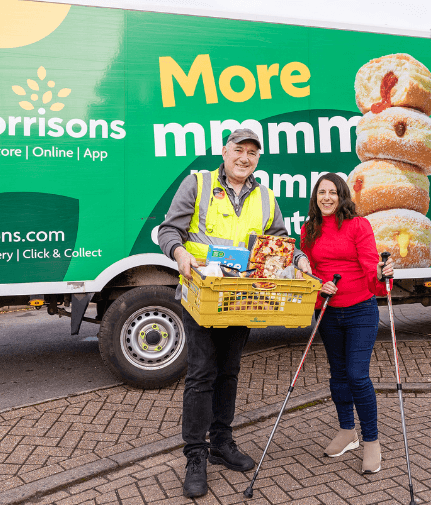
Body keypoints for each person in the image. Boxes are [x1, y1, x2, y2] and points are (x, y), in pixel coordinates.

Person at [158, 129, 311, 498]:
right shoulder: (198, 184)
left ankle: (221, 443)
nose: (245, 158)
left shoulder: (265, 195)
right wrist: (180, 255)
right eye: (238, 150)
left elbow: (280, 241)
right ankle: (195, 454)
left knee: (229, 372)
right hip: (203, 297)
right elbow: (168, 231)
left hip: (241, 300)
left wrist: (300, 260)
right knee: (200, 375)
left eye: (252, 153)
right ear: (224, 152)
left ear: (258, 159)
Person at [300, 172, 393, 474]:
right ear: (315, 197)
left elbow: (369, 265)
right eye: (321, 192)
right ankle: (346, 431)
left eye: (332, 192)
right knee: (338, 375)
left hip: (360, 310)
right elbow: (310, 269)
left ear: (342, 196)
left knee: (356, 375)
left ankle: (371, 441)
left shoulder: (358, 225)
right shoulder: (309, 229)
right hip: (328, 311)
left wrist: (380, 273)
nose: (326, 197)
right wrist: (318, 284)